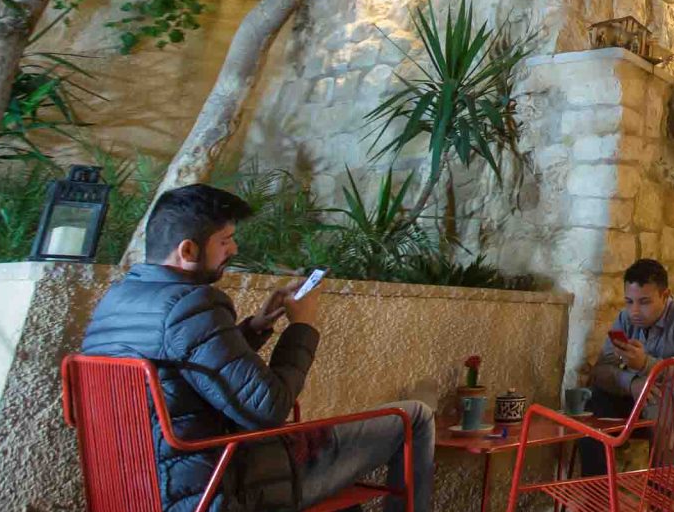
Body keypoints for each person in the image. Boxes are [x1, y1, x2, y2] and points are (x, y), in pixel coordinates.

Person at [81, 184, 433, 512]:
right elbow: (269, 409)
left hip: (152, 488)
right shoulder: (193, 304)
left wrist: (255, 327)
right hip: (224, 488)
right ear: (188, 249)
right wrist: (303, 325)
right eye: (225, 240)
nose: (233, 250)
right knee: (414, 416)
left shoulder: (118, 302)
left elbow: (192, 371)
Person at [579, 258, 674, 474]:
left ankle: (662, 497)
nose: (634, 311)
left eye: (644, 302)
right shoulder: (626, 318)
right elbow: (602, 369)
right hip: (641, 398)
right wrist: (632, 383)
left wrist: (645, 364)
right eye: (629, 301)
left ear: (665, 295)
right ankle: (598, 495)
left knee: (664, 403)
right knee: (594, 405)